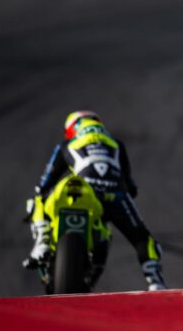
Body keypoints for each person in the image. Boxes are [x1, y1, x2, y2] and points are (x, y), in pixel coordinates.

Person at [24, 110, 168, 290]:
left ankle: (42, 242)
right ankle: (155, 282)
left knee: (38, 199)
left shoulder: (67, 144)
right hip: (115, 194)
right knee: (141, 237)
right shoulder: (116, 145)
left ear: (71, 129)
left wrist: (37, 199)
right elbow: (130, 186)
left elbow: (45, 182)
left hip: (85, 191)